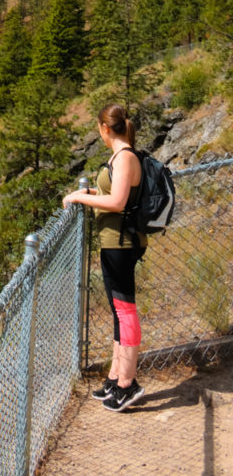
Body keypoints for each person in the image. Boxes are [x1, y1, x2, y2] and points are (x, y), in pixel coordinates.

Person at [63, 103, 147, 412]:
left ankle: (128, 384)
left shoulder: (125, 157)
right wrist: (89, 197)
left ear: (105, 129)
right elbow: (113, 197)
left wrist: (78, 197)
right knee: (119, 311)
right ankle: (116, 377)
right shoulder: (121, 156)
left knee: (125, 311)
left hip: (121, 244)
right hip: (115, 243)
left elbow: (118, 201)